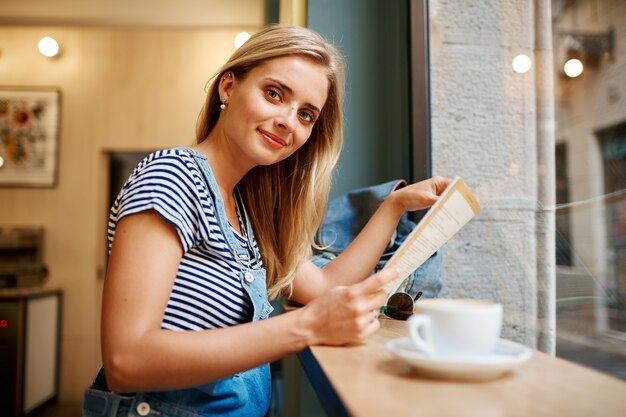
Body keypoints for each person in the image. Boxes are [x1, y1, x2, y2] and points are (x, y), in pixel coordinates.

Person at [82, 24, 451, 417]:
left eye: (306, 115)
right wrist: (307, 326)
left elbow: (326, 286)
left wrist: (393, 206)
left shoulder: (245, 212)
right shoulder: (173, 176)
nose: (288, 121)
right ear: (228, 87)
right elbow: (127, 361)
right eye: (274, 94)